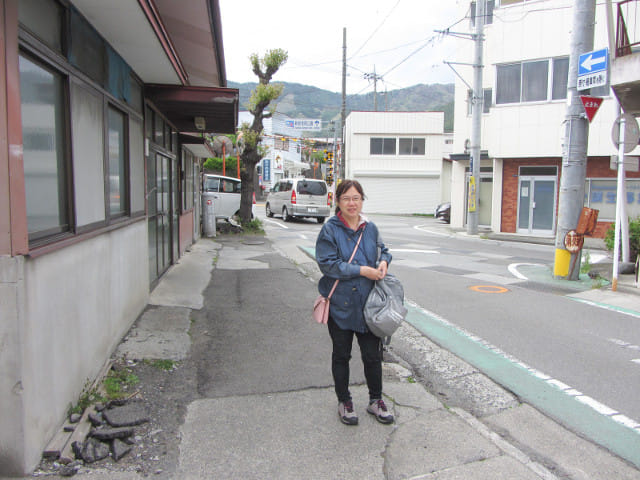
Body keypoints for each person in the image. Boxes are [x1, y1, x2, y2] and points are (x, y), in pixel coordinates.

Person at [315, 179, 394, 425]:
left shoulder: (370, 228)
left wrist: (383, 262)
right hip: (340, 305)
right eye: (346, 198)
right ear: (338, 202)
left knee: (372, 355)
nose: (352, 203)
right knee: (341, 355)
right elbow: (328, 264)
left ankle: (376, 400)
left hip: (369, 306)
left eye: (356, 198)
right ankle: (344, 401)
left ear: (362, 200)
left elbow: (384, 250)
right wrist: (362, 271)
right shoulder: (330, 230)